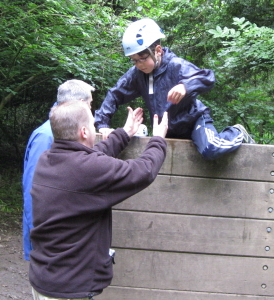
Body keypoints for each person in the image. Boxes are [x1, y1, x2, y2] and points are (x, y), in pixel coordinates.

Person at [29, 100, 168, 299]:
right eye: (93, 125)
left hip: (44, 279)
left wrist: (124, 133)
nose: (95, 130)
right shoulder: (88, 168)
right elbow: (144, 171)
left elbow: (92, 157)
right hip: (69, 290)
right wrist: (158, 139)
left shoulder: (47, 159)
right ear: (84, 132)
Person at [95, 18, 255, 160]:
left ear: (158, 50)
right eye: (134, 60)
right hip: (167, 129)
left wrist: (185, 86)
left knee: (211, 149)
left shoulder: (176, 65)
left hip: (194, 121)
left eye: (142, 58)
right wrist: (103, 124)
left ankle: (237, 132)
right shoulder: (137, 74)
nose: (138, 64)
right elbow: (115, 95)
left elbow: (207, 77)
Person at [22, 79, 95, 261]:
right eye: (90, 104)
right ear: (80, 103)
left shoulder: (65, 132)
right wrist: (37, 236)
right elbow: (32, 189)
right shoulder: (47, 135)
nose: (91, 110)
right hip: (46, 239)